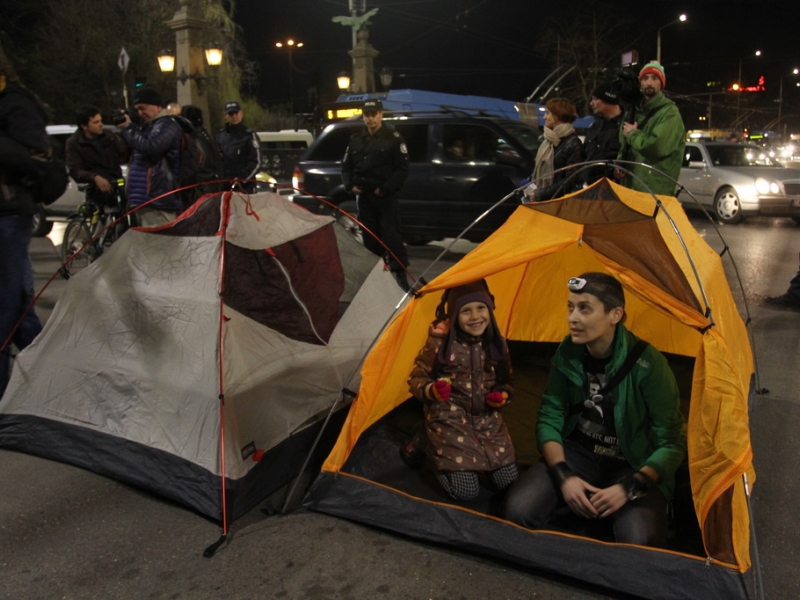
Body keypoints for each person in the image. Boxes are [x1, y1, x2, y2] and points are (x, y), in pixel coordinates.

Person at [504, 273, 686, 547]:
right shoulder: (568, 351)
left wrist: (630, 486)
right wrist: (564, 476)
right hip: (580, 453)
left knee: (640, 541)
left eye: (584, 308)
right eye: (570, 307)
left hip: (631, 462)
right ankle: (582, 501)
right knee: (517, 511)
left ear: (615, 315)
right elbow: (550, 416)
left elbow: (671, 443)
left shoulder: (649, 365)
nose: (572, 318)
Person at [407, 279, 518, 502]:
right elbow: (416, 377)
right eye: (466, 311)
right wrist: (432, 390)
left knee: (509, 484)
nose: (475, 317)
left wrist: (502, 396)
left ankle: (461, 457)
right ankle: (428, 445)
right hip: (450, 420)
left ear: (490, 309)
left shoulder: (497, 343)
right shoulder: (440, 342)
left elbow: (506, 382)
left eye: (481, 308)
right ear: (454, 315)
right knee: (466, 491)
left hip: (487, 421)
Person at [0, 45, 46, 394]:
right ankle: (47, 364)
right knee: (15, 298)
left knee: (7, 301)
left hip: (9, 213)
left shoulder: (16, 102)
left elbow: (37, 151)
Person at [341, 99, 410, 291]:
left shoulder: (393, 138)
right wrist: (349, 186)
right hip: (364, 198)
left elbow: (402, 169)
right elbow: (346, 167)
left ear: (381, 114)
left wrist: (385, 189)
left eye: (374, 114)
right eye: (367, 115)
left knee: (391, 236)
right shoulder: (356, 139)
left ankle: (401, 274)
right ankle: (376, 279)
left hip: (385, 197)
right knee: (370, 240)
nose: (370, 118)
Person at [616, 62, 685, 196]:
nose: (649, 82)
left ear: (661, 84)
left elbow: (657, 146)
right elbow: (623, 142)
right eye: (645, 78)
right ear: (639, 83)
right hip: (631, 186)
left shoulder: (670, 113)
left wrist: (632, 134)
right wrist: (621, 162)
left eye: (654, 78)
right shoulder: (633, 110)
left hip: (655, 190)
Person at [117, 87, 183, 227]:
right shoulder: (147, 128)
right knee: (149, 246)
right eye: (137, 110)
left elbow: (151, 148)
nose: (140, 114)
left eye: (143, 108)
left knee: (161, 246)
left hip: (158, 200)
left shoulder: (167, 125)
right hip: (145, 200)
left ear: (158, 107)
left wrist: (129, 128)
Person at [65, 105, 128, 207]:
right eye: (96, 122)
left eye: (100, 121)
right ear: (84, 126)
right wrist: (94, 177)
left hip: (118, 185)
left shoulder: (109, 136)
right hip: (96, 191)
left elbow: (125, 152)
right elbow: (75, 169)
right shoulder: (74, 143)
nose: (101, 125)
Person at [524, 97, 584, 202]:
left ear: (558, 115)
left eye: (547, 113)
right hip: (541, 200)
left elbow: (570, 180)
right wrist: (529, 187)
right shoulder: (547, 140)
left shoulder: (573, 143)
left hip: (558, 203)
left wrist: (541, 194)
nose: (544, 117)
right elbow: (538, 172)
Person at [581, 83, 623, 186]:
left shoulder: (626, 126)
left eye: (595, 99)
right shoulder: (594, 126)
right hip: (589, 188)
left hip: (614, 189)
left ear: (608, 99)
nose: (591, 103)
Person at [215, 100, 261, 193]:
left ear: (241, 113)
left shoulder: (249, 135)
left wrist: (242, 180)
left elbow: (256, 162)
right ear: (225, 116)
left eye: (236, 113)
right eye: (230, 113)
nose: (234, 116)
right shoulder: (220, 136)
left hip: (244, 188)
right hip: (225, 186)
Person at [181, 104, 222, 196]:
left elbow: (197, 163)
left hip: (199, 187)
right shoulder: (206, 135)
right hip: (212, 184)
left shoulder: (192, 137)